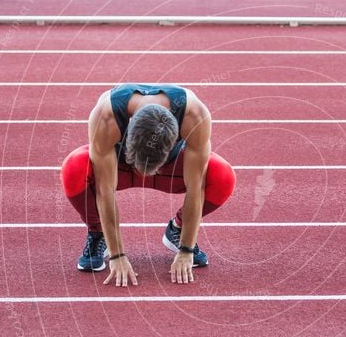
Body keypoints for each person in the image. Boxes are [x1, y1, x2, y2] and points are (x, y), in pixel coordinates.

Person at [60, 84, 236, 286]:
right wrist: (117, 255)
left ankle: (177, 230)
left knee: (223, 176)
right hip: (122, 164)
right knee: (74, 167)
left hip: (168, 168)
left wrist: (186, 249)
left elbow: (196, 188)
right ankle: (97, 232)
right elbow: (105, 190)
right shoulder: (106, 118)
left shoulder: (194, 117)